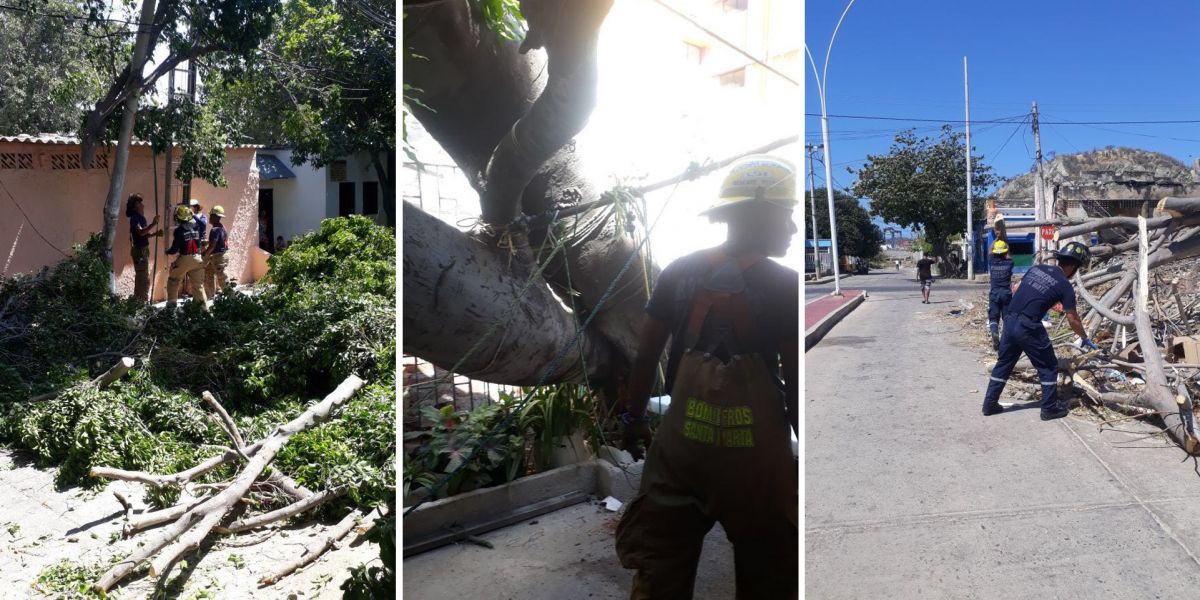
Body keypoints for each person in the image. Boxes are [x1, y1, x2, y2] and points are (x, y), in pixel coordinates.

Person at [614, 155, 799, 599]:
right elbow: (794, 382)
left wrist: (633, 419)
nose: (792, 229)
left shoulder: (679, 271)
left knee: (659, 573)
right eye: (788, 215)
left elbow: (646, 357)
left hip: (681, 456)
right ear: (761, 214)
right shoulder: (784, 285)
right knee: (769, 572)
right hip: (755, 466)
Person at [982, 241, 1097, 420]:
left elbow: (1021, 289)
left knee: (1004, 363)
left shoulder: (1037, 269)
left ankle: (989, 404)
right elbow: (1072, 318)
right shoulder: (1064, 285)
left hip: (1010, 320)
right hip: (1028, 326)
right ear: (1073, 266)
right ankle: (1049, 408)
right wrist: (1084, 337)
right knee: (1048, 365)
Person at [165, 204, 208, 312]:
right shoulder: (198, 227)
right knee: (198, 286)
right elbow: (203, 224)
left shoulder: (178, 231)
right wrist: (193, 215)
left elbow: (175, 249)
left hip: (185, 259)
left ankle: (171, 308)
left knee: (173, 280)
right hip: (198, 258)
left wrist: (167, 251)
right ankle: (204, 310)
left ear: (178, 218)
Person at [125, 194, 161, 303]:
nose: (143, 205)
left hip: (143, 250)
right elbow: (140, 232)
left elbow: (144, 234)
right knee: (143, 279)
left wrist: (155, 234)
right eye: (140, 203)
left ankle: (138, 302)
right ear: (136, 206)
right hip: (140, 251)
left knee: (142, 278)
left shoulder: (140, 218)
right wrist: (154, 224)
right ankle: (141, 303)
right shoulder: (135, 218)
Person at [987, 240, 1015, 351]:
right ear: (1005, 252)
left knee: (993, 317)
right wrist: (1006, 245)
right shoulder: (1010, 263)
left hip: (994, 293)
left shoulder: (991, 261)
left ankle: (994, 333)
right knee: (1007, 317)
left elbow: (990, 251)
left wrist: (996, 240)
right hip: (1006, 294)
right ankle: (1005, 341)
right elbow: (1009, 254)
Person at [203, 205, 230, 298]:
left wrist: (204, 254)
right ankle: (209, 295)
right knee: (209, 273)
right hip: (221, 255)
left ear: (215, 217)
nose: (209, 217)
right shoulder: (222, 227)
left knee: (222, 279)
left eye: (211, 216)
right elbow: (221, 240)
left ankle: (232, 299)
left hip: (218, 257)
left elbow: (212, 246)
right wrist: (207, 241)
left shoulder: (214, 230)